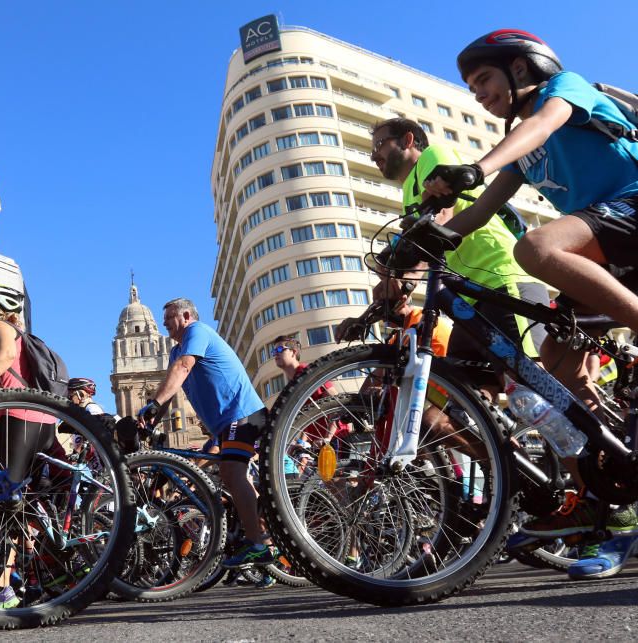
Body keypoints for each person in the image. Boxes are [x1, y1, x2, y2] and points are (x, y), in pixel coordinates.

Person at [420, 29, 638, 578]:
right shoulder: (523, 150)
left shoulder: (564, 91)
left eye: (483, 80)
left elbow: (544, 124)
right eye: (470, 87)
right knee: (556, 381)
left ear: (522, 69)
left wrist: (475, 167)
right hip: (604, 247)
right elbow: (476, 214)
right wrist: (420, 241)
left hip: (631, 209)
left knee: (537, 246)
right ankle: (608, 512)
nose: (477, 94)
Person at [368, 117, 548, 387]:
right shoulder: (408, 193)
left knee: (532, 387)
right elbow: (422, 256)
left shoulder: (432, 156)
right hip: (467, 300)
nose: (374, 156)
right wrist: (390, 289)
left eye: (379, 146)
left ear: (407, 140)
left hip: (500, 281)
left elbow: (440, 216)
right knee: (445, 416)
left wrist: (400, 264)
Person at [137, 298, 272, 570]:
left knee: (232, 472)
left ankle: (258, 544)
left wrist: (152, 405)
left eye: (169, 317)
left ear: (186, 315)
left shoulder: (197, 332)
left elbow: (184, 368)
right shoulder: (177, 352)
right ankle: (265, 533)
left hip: (242, 413)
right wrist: (149, 423)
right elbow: (171, 389)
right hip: (225, 424)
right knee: (230, 475)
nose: (164, 323)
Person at [0, 284, 61, 608]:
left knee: (7, 504)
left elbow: (5, 357)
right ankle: (50, 571)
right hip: (43, 422)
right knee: (23, 507)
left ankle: (1, 587)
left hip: (19, 419)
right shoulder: (17, 331)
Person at [271, 334, 350, 449]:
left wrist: (328, 437)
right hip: (319, 443)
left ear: (293, 352)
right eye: (274, 351)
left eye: (279, 349)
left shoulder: (307, 372)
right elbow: (306, 417)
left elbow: (335, 400)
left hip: (336, 437)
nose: (276, 354)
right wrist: (302, 443)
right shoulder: (292, 384)